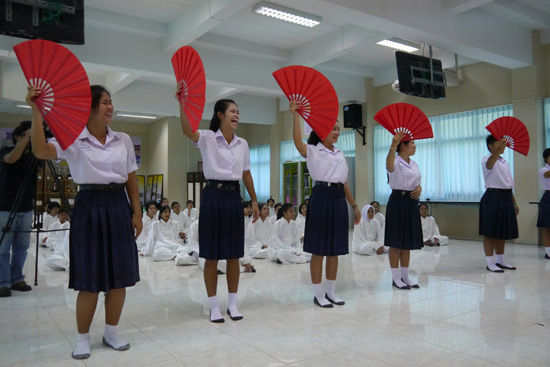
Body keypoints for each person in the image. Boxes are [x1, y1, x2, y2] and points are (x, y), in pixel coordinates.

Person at [27, 85, 142, 359]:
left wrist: (136, 213)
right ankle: (82, 338)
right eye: (104, 102)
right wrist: (36, 111)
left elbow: (132, 179)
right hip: (89, 206)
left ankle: (112, 332)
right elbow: (41, 150)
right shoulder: (72, 138)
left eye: (111, 102)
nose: (110, 107)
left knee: (119, 278)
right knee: (89, 279)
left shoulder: (123, 139)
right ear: (90, 108)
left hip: (117, 206)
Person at [177, 88, 259, 323]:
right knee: (211, 255)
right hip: (213, 195)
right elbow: (186, 130)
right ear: (220, 114)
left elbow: (246, 173)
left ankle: (233, 304)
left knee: (234, 255)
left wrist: (253, 200)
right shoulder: (208, 137)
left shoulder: (243, 143)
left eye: (238, 112)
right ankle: (213, 306)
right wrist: (182, 104)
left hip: (234, 197)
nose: (236, 115)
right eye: (232, 111)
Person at [291, 101, 361, 308]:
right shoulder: (313, 149)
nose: (337, 131)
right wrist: (296, 117)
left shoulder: (339, 154)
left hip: (338, 198)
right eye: (333, 128)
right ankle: (318, 294)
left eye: (339, 128)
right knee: (319, 250)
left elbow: (344, 181)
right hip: (321, 196)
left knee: (335, 249)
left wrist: (354, 205)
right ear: (321, 130)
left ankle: (331, 292)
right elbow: (297, 143)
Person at [0, 121, 35, 298]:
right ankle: (2, 283)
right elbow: (10, 160)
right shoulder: (6, 150)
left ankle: (17, 279)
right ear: (17, 137)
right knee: (3, 248)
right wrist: (25, 140)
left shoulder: (33, 156)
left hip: (26, 207)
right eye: (27, 136)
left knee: (22, 247)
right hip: (6, 206)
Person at [385, 131, 423, 290]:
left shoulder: (414, 163)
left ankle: (405, 276)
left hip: (411, 202)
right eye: (412, 143)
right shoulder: (396, 160)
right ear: (403, 146)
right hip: (398, 201)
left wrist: (419, 188)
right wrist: (393, 145)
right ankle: (396, 278)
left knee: (406, 242)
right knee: (396, 242)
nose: (415, 146)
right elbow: (389, 165)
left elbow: (417, 181)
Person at [480, 135, 518, 272]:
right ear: (490, 145)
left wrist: (514, 202)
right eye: (499, 143)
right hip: (493, 197)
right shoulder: (487, 159)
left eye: (503, 143)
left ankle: (500, 260)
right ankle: (490, 262)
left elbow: (508, 184)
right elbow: (490, 164)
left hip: (506, 196)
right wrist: (497, 151)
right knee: (490, 231)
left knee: (502, 231)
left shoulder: (505, 162)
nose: (502, 145)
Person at [538, 148, 550, 260]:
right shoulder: (543, 170)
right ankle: (548, 251)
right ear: (546, 159)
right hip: (548, 197)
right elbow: (547, 175)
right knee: (546, 226)